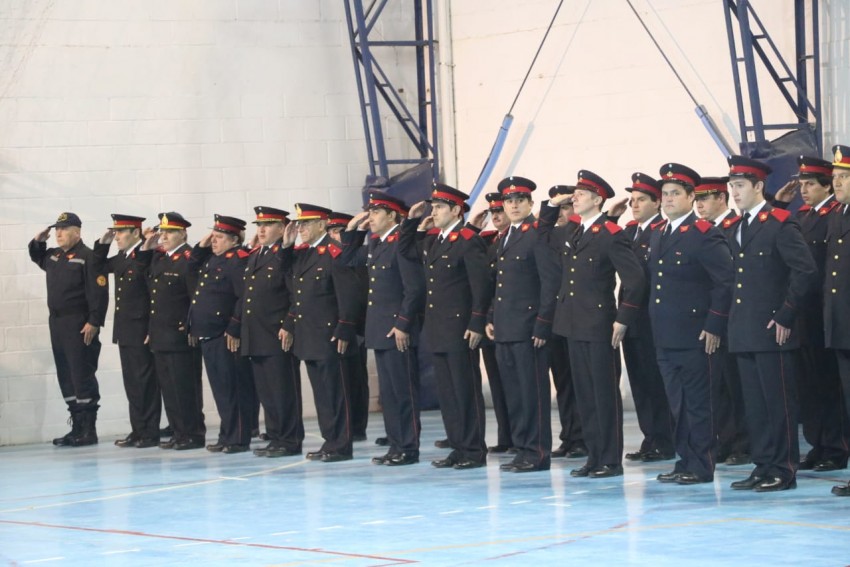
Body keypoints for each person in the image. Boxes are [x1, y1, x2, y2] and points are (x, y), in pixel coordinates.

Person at [720, 155, 817, 492]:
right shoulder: (736, 226)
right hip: (744, 328)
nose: (734, 191)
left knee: (779, 404)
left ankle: (783, 468)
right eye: (732, 185)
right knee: (755, 406)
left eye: (740, 185)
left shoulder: (778, 222)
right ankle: (763, 465)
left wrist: (786, 314)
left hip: (773, 328)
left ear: (759, 186)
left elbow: (804, 270)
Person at [542, 171, 646, 478]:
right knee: (585, 395)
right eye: (574, 194)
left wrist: (623, 318)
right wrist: (552, 205)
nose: (575, 198)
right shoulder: (573, 232)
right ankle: (593, 456)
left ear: (598, 199)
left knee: (603, 395)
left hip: (599, 324)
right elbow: (541, 234)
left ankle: (610, 460)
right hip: (572, 324)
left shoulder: (610, 234)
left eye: (581, 194)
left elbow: (636, 279)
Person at [649, 163, 733, 485]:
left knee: (699, 404)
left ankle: (702, 465)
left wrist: (714, 325)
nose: (668, 200)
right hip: (665, 336)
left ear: (689, 197)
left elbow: (725, 283)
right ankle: (685, 460)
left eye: (674, 194)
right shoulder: (659, 233)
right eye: (665, 194)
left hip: (696, 334)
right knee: (678, 404)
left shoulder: (704, 234)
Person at [398, 184, 491, 470]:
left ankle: (474, 449)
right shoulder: (434, 241)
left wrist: (476, 321)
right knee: (448, 394)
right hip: (437, 328)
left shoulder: (467, 240)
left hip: (460, 327)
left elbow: (481, 286)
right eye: (433, 207)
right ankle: (458, 446)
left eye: (439, 207)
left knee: (465, 390)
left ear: (455, 210)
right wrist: (413, 223)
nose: (434, 211)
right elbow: (405, 252)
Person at [772, 157, 847, 472]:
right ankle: (818, 443)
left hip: (825, 313)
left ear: (826, 186)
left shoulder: (832, 215)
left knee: (831, 385)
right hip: (806, 314)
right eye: (801, 184)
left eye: (810, 184)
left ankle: (836, 445)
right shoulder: (801, 216)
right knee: (810, 385)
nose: (803, 190)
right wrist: (777, 203)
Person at [340, 192, 425, 465]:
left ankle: (408, 448)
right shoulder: (378, 245)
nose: (371, 217)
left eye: (376, 213)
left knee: (403, 393)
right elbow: (348, 259)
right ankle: (395, 445)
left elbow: (414, 289)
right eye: (370, 212)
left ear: (392, 216)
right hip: (379, 330)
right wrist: (353, 230)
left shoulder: (401, 243)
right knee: (388, 395)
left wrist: (403, 324)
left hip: (397, 331)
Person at [486, 176, 560, 472]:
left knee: (532, 394)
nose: (513, 205)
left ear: (530, 203)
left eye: (519, 200)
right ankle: (522, 447)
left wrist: (543, 324)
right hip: (506, 327)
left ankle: (537, 451)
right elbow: (502, 285)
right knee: (514, 395)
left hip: (529, 329)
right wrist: (492, 317)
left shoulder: (536, 234)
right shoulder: (505, 236)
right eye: (509, 201)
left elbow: (550, 281)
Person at [280, 203, 361, 462]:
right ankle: (330, 441)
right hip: (309, 335)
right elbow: (290, 285)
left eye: (306, 224)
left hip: (330, 336)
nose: (301, 228)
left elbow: (348, 295)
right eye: (300, 224)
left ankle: (341, 445)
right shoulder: (303, 254)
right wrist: (286, 246)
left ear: (321, 224)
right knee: (322, 396)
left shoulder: (335, 252)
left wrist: (345, 330)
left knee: (335, 394)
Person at [29, 212, 108, 446]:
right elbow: (36, 255)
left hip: (79, 323)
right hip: (57, 323)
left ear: (77, 232)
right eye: (56, 230)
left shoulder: (88, 257)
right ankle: (76, 426)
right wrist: (39, 240)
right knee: (66, 375)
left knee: (81, 373)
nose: (58, 233)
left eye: (63, 229)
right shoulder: (54, 256)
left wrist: (94, 321)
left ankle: (88, 430)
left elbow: (99, 293)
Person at [694, 177, 751, 465]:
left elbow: (731, 279)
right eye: (697, 199)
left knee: (736, 385)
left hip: (732, 317)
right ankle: (726, 442)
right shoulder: (703, 231)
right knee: (717, 386)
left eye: (706, 198)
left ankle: (743, 443)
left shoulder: (734, 227)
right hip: (709, 318)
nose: (700, 205)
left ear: (721, 198)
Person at [138, 212, 206, 451]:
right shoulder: (160, 259)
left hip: (180, 336)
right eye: (162, 232)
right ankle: (179, 432)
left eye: (169, 233)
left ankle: (193, 433)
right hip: (160, 334)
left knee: (185, 388)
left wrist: (189, 327)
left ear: (183, 234)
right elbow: (153, 296)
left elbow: (195, 297)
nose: (163, 236)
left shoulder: (189, 259)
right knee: (169, 389)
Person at [188, 215, 254, 453]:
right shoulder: (213, 259)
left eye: (218, 237)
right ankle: (227, 435)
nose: (213, 241)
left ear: (233, 239)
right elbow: (190, 266)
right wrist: (202, 244)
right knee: (221, 390)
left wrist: (234, 327)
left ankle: (238, 438)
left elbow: (243, 296)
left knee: (232, 389)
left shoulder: (236, 261)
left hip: (225, 334)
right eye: (213, 236)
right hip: (209, 333)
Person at [620, 173, 675, 463]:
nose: (634, 204)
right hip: (632, 320)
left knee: (657, 384)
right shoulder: (631, 232)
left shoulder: (661, 231)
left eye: (641, 199)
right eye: (632, 200)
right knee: (640, 383)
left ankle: (666, 440)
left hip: (653, 320)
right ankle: (650, 437)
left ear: (657, 202)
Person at [242, 207, 304, 458]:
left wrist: (289, 325)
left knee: (283, 392)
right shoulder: (256, 255)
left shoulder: (286, 255)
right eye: (259, 225)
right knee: (267, 393)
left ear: (283, 228)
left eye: (268, 225)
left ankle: (290, 440)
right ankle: (276, 437)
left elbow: (294, 295)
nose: (262, 230)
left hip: (277, 335)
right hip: (257, 335)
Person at [94, 215, 160, 448]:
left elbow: (154, 295)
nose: (117, 237)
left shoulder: (146, 255)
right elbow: (97, 265)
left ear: (135, 233)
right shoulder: (122, 257)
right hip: (125, 329)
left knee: (146, 383)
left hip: (142, 328)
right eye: (116, 232)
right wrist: (102, 243)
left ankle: (150, 432)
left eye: (121, 232)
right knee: (132, 383)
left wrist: (152, 327)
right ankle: (138, 430)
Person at [466, 192, 514, 454]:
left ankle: (519, 437)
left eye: (500, 211)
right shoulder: (486, 242)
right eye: (492, 212)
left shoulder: (517, 240)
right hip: (489, 321)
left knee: (514, 384)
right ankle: (506, 436)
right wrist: (472, 227)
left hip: (508, 318)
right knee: (497, 384)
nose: (496, 216)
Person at [546, 186, 587, 459]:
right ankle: (570, 436)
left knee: (580, 382)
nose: (564, 213)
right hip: (555, 318)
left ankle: (583, 438)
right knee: (563, 383)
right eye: (559, 208)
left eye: (567, 206)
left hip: (578, 318)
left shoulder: (579, 235)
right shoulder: (552, 236)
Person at [328, 211, 371, 443]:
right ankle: (346, 424)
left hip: (355, 327)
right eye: (332, 231)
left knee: (355, 378)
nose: (334, 236)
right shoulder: (328, 257)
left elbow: (356, 294)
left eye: (339, 231)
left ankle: (357, 426)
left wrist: (350, 325)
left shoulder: (356, 260)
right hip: (332, 327)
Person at [825, 144, 850, 496]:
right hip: (842, 327)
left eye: (844, 177)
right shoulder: (838, 215)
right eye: (835, 179)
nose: (838, 184)